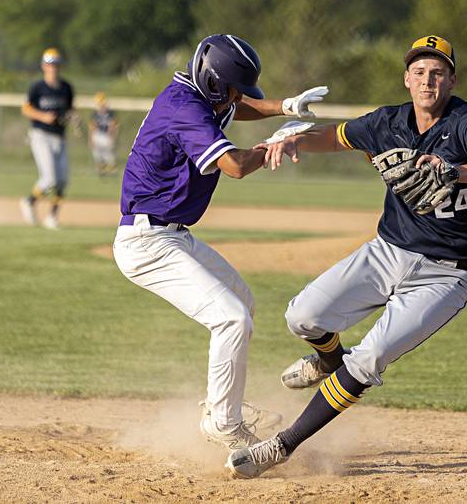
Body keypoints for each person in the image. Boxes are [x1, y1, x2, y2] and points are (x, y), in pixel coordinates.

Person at [226, 35, 467, 478]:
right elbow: (338, 137)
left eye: (438, 73)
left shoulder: (466, 123)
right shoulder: (389, 123)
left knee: (370, 357)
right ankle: (328, 361)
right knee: (303, 316)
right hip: (388, 251)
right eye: (420, 72)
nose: (428, 81)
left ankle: (282, 446)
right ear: (407, 79)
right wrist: (294, 140)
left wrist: (456, 170)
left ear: (452, 80)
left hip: (447, 272)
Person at [112, 34, 328, 452]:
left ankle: (220, 406)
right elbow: (232, 166)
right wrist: (273, 144)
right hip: (146, 242)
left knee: (241, 302)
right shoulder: (185, 109)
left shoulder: (198, 97)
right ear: (213, 83)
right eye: (230, 89)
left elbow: (238, 106)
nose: (234, 98)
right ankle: (225, 426)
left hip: (172, 234)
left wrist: (283, 107)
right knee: (231, 319)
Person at [19, 47, 74, 230]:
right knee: (49, 179)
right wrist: (43, 116)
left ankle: (52, 218)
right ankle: (29, 201)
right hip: (41, 135)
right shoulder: (38, 88)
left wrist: (72, 117)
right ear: (43, 66)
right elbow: (26, 108)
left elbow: (69, 110)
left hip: (59, 138)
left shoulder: (66, 88)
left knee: (62, 180)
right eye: (50, 64)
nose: (53, 68)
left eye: (56, 64)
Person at [88, 92, 119, 177]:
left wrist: (113, 136)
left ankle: (113, 170)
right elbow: (92, 127)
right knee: (97, 154)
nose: (101, 105)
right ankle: (101, 170)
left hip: (107, 135)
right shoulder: (95, 114)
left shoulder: (110, 113)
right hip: (97, 134)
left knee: (109, 154)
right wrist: (91, 139)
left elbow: (114, 126)